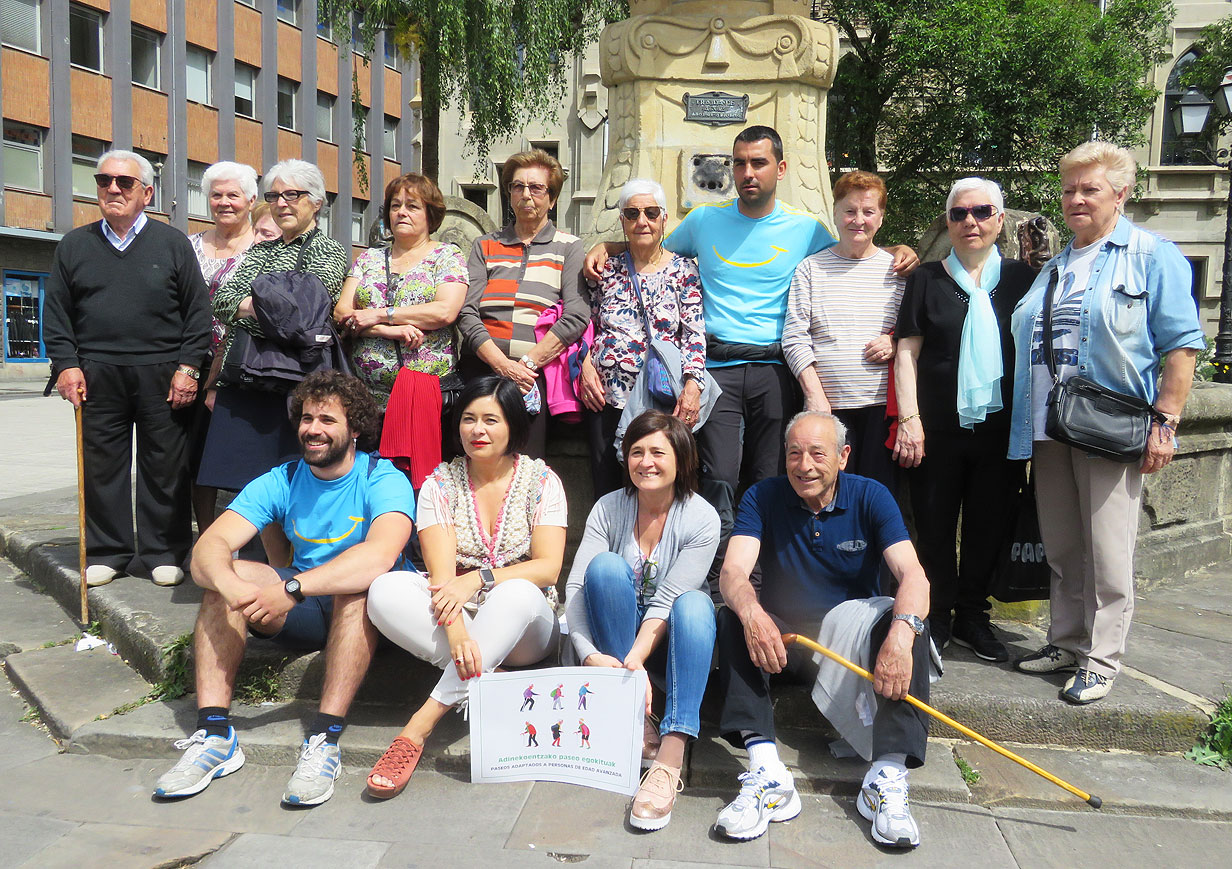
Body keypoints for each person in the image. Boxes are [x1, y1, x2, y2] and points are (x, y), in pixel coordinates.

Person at [585, 126, 918, 497]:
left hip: (774, 370)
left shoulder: (806, 228)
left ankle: (761, 537)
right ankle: (719, 537)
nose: (748, 172)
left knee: (770, 475)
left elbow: (852, 252)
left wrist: (897, 250)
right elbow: (653, 250)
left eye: (759, 163)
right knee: (718, 476)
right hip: (718, 368)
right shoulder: (702, 220)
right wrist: (608, 246)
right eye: (740, 163)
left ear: (780, 169)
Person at [152, 371, 414, 805]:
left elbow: (379, 557)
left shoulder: (382, 478)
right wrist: (233, 588)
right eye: (307, 418)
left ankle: (324, 739)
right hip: (305, 607)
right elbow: (208, 548)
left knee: (360, 585)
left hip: (375, 614)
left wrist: (291, 587)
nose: (313, 429)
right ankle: (215, 735)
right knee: (223, 574)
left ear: (355, 429)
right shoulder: (284, 478)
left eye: (327, 420)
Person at [1008, 142, 1204, 704]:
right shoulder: (1054, 266)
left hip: (1110, 425)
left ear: (1121, 194)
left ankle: (1101, 658)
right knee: (1063, 546)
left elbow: (1182, 347)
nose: (1076, 199)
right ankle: (1066, 640)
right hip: (1049, 424)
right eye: (1069, 189)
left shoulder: (1151, 255)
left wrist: (1165, 424)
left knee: (1108, 550)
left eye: (1090, 189)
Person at [713, 412, 933, 848]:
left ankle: (886, 777)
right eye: (794, 453)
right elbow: (733, 571)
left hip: (851, 650)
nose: (804, 465)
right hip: (784, 644)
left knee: (909, 621)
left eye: (817, 453)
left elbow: (914, 576)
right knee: (733, 615)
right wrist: (753, 614)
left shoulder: (871, 496)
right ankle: (766, 770)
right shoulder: (762, 496)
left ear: (843, 456)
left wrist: (901, 636)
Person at [363, 376, 567, 799]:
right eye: (469, 419)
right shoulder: (440, 484)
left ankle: (419, 727)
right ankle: (488, 673)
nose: (478, 430)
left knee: (514, 593)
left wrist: (478, 577)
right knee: (383, 590)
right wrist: (456, 631)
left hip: (530, 627)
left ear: (513, 425)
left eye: (491, 420)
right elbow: (440, 577)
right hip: (462, 615)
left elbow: (548, 569)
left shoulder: (542, 482)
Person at [43, 149, 211, 589]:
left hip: (163, 374)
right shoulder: (74, 245)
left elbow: (198, 312)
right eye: (104, 181)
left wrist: (189, 367)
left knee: (165, 466)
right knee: (101, 467)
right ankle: (108, 551)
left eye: (124, 182)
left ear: (147, 193)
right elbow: (57, 313)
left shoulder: (172, 243)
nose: (113, 189)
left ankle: (164, 551)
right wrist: (65, 365)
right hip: (97, 374)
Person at [892, 178, 1036, 659]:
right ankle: (936, 614)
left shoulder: (1021, 279)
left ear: (1000, 220)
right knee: (933, 526)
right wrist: (910, 419)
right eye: (958, 214)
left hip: (1000, 430)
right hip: (937, 428)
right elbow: (907, 354)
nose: (969, 221)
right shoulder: (926, 279)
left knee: (988, 525)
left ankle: (974, 615)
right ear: (948, 222)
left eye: (981, 212)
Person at [565, 410, 719, 831]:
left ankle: (670, 757)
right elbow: (576, 587)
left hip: (672, 639)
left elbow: (667, 600)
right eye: (636, 452)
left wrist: (636, 660)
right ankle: (633, 716)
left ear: (681, 459)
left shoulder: (702, 517)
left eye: (657, 452)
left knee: (695, 604)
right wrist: (588, 653)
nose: (645, 462)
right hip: (613, 640)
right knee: (604, 568)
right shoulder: (608, 507)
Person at [198, 159, 349, 495]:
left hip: (295, 384)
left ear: (316, 202)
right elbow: (221, 301)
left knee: (293, 487)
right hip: (245, 379)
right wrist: (263, 303)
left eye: (292, 195)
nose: (281, 203)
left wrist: (253, 303)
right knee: (245, 490)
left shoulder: (328, 249)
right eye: (274, 196)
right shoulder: (261, 250)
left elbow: (303, 312)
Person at [577, 180, 705, 497]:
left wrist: (693, 385)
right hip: (606, 396)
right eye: (632, 214)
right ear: (622, 220)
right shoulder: (604, 269)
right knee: (607, 488)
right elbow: (585, 325)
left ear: (664, 218)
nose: (642, 221)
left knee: (656, 488)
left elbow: (694, 334)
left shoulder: (684, 271)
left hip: (659, 398)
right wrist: (585, 365)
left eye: (651, 212)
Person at [456, 150, 588, 458]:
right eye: (518, 186)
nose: (526, 195)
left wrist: (525, 366)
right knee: (475, 458)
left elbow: (577, 315)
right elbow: (467, 311)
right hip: (482, 367)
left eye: (536, 188)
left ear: (552, 199)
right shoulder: (485, 245)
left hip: (533, 375)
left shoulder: (569, 247)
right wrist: (502, 365)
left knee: (524, 464)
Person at [783, 170, 903, 490]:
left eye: (868, 211)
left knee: (876, 496)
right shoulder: (810, 269)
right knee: (826, 494)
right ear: (835, 214)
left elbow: (912, 331)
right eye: (850, 211)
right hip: (828, 410)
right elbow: (794, 337)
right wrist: (814, 395)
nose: (858, 220)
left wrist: (894, 341)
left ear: (881, 217)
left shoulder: (897, 271)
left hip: (882, 410)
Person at [334, 173, 467, 412]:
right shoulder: (369, 258)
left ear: (430, 214)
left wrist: (380, 315)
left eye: (412, 206)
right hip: (364, 398)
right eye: (395, 206)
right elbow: (341, 313)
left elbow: (445, 311)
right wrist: (389, 331)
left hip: (422, 396)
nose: (401, 212)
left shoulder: (447, 256)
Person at [187, 161, 261, 533]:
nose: (224, 202)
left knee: (245, 456)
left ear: (251, 200)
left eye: (233, 194)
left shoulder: (265, 249)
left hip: (244, 363)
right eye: (216, 195)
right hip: (192, 362)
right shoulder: (188, 246)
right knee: (197, 455)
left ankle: (249, 536)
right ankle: (205, 533)